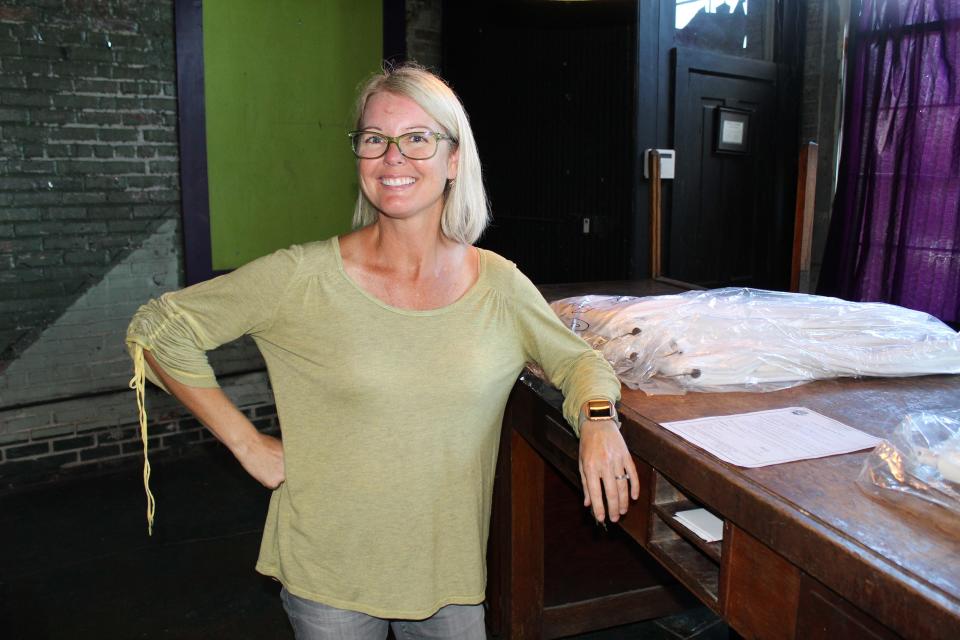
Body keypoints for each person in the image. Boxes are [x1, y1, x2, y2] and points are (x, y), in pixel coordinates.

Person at [127, 64, 638, 640]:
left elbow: (579, 360)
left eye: (417, 138)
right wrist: (249, 445)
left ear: (452, 161)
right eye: (375, 139)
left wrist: (598, 419)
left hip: (450, 573)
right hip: (328, 574)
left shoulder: (498, 284)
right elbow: (158, 330)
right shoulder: (303, 276)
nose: (393, 157)